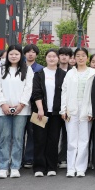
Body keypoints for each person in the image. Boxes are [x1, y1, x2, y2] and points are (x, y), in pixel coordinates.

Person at [0, 44, 34, 178]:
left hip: (21, 110)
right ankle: (3, 167)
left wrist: (21, 105)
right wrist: (3, 104)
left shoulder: (27, 70)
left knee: (18, 138)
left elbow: (28, 88)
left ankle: (15, 166)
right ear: (7, 55)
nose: (14, 56)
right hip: (3, 110)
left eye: (16, 54)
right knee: (4, 138)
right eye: (11, 54)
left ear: (21, 55)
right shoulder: (1, 70)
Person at [61, 47, 95, 177]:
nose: (81, 58)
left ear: (87, 57)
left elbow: (94, 94)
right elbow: (64, 91)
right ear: (74, 58)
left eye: (83, 55)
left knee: (84, 139)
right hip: (71, 108)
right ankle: (71, 168)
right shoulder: (70, 73)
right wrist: (63, 109)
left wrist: (91, 111)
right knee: (71, 139)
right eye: (78, 55)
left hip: (86, 108)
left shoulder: (93, 73)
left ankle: (81, 168)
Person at [30, 48, 65, 177]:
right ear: (45, 58)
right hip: (39, 112)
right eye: (49, 56)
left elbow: (65, 93)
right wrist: (40, 108)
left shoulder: (63, 74)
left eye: (54, 56)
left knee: (53, 140)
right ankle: (39, 167)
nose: (51, 58)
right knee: (39, 139)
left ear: (58, 58)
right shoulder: (39, 73)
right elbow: (36, 92)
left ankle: (51, 167)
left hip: (56, 113)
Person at [22, 44, 43, 169]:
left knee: (34, 132)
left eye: (33, 52)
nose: (30, 54)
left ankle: (30, 158)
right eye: (28, 52)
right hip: (20, 106)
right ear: (24, 54)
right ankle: (18, 158)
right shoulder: (19, 67)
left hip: (36, 106)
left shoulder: (41, 69)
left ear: (36, 54)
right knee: (19, 133)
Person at [56, 47, 73, 168]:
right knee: (53, 134)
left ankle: (63, 158)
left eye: (66, 55)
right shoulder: (52, 70)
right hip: (53, 108)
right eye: (61, 54)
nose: (64, 57)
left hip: (69, 108)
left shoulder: (73, 72)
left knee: (67, 134)